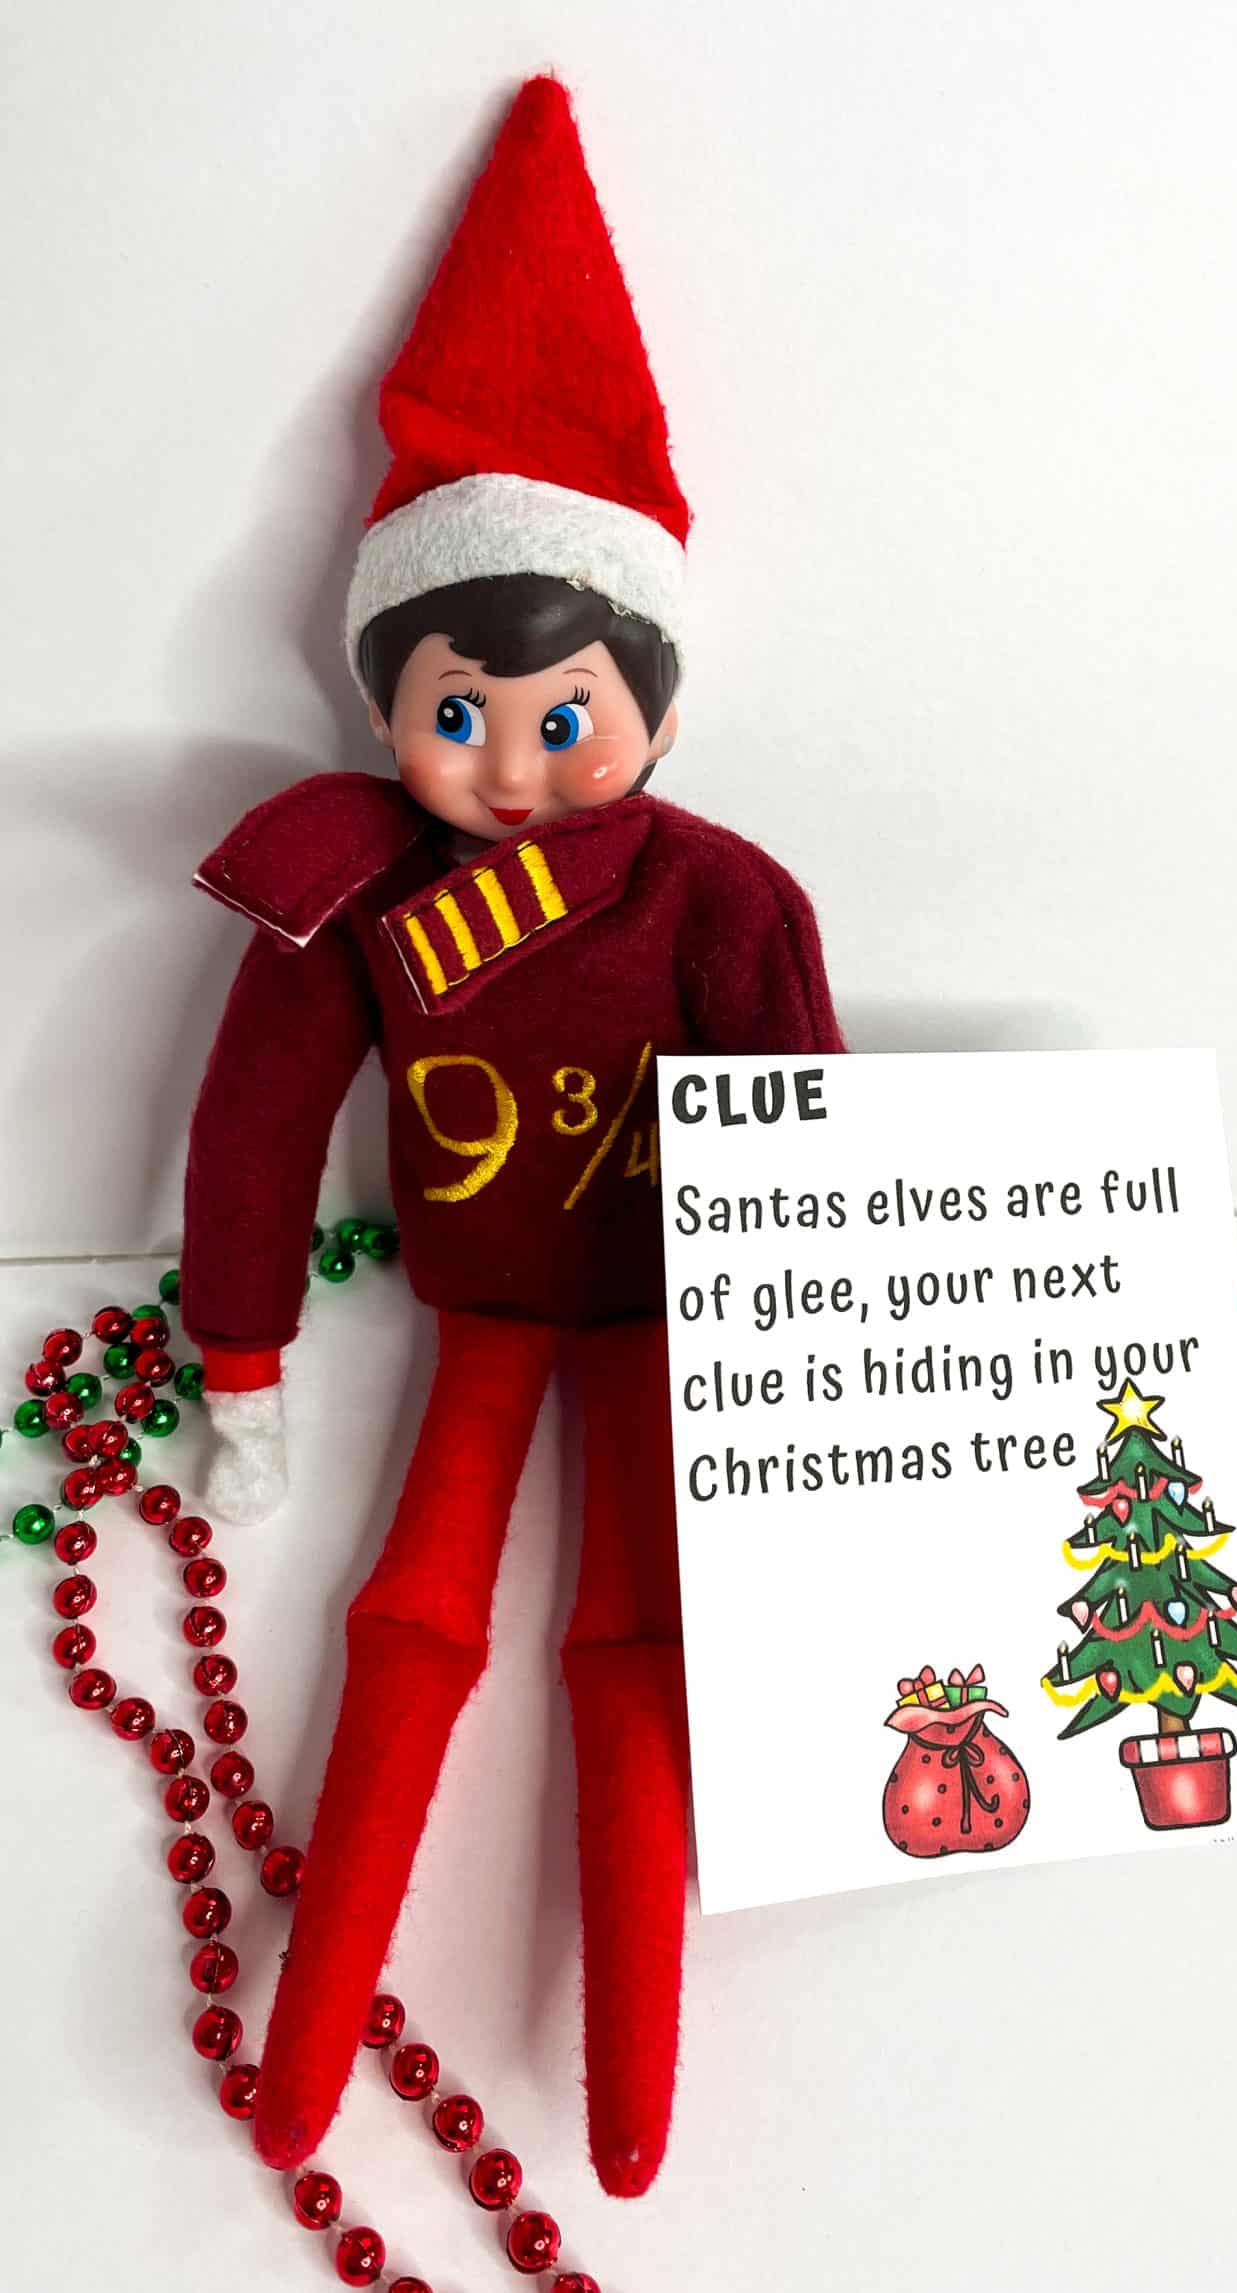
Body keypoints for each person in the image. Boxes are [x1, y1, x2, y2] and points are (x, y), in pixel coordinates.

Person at [180, 72, 845, 2199]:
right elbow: (259, 1117)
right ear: (384, 701)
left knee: (633, 1630)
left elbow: (808, 1137)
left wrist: (825, 1372)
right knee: (415, 1609)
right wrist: (242, 1349)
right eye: (455, 714)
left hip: (666, 1314)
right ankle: (304, 2056)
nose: (510, 764)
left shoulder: (723, 900)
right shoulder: (356, 893)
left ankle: (629, 2091)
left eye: (566, 718)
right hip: (475, 1299)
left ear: (659, 701)